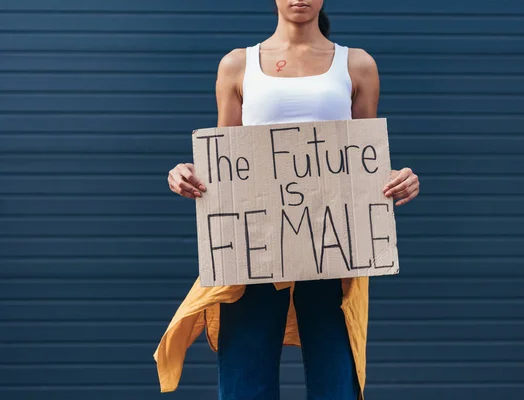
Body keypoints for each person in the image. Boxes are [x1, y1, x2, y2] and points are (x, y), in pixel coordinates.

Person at [155, 1, 420, 399]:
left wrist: (399, 179)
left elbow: (365, 161)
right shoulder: (236, 65)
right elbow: (226, 160)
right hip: (254, 251)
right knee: (245, 380)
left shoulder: (357, 65)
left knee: (337, 382)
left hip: (334, 250)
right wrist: (187, 173)